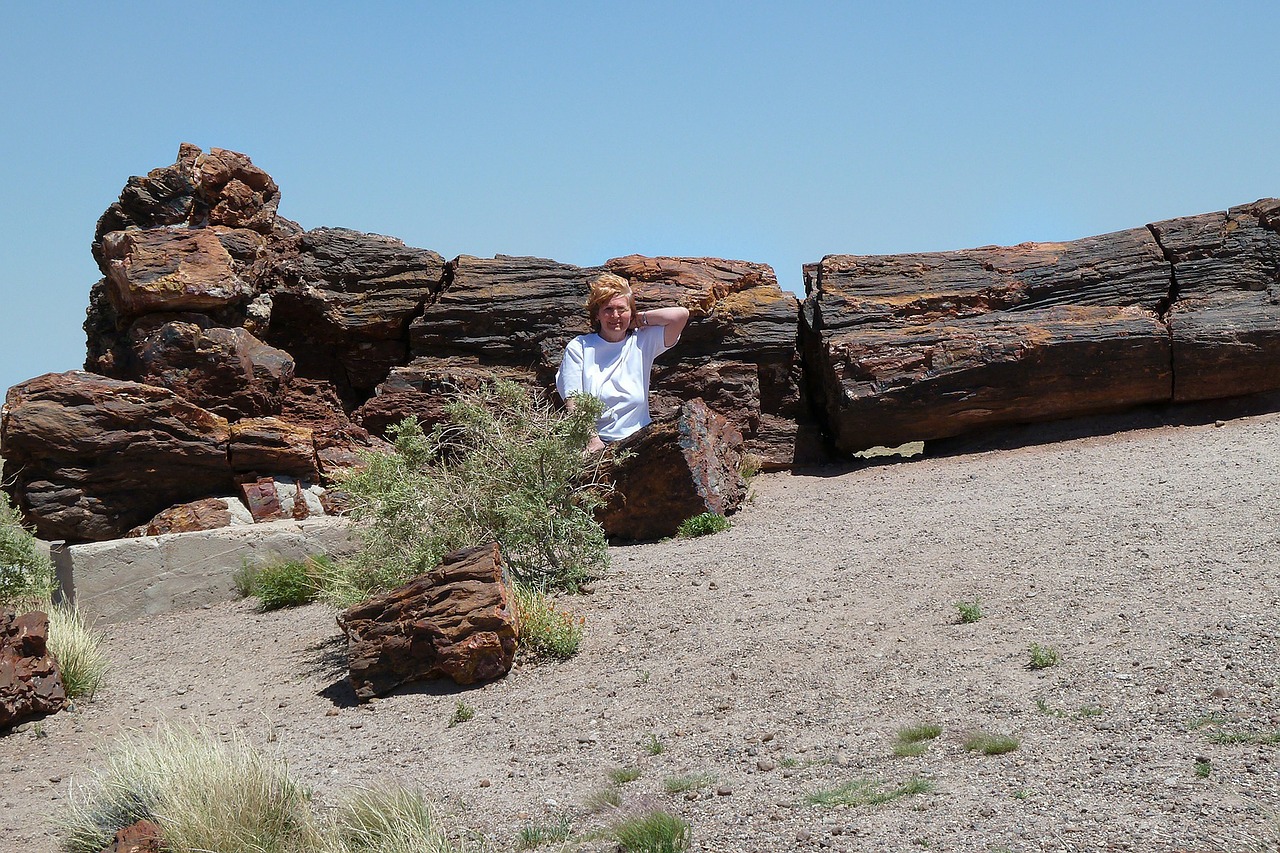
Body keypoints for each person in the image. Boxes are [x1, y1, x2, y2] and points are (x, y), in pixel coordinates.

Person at [556, 272, 690, 452]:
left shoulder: (641, 341)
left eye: (622, 309)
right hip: (594, 442)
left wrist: (637, 319)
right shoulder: (579, 347)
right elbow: (574, 402)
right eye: (608, 310)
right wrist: (593, 442)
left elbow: (680, 315)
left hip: (638, 441)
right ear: (597, 315)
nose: (615, 316)